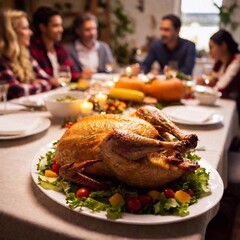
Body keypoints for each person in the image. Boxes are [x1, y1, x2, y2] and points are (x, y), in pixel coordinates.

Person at [0, 9, 52, 100]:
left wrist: (28, 86)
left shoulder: (24, 53)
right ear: (11, 33)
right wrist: (33, 84)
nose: (30, 32)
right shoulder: (1, 58)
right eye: (25, 28)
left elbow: (48, 80)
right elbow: (16, 91)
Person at [30, 6, 79, 81]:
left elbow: (72, 73)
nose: (61, 30)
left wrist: (81, 75)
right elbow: (39, 79)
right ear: (42, 27)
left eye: (61, 25)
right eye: (55, 26)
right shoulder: (33, 51)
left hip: (62, 90)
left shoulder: (59, 48)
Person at [196, 29, 240, 106]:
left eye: (211, 47)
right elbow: (214, 80)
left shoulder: (237, 61)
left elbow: (220, 90)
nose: (209, 52)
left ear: (223, 46)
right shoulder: (221, 62)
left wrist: (208, 84)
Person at [66, 13, 114, 79]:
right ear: (78, 31)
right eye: (87, 30)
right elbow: (67, 74)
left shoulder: (104, 47)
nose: (92, 33)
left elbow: (111, 70)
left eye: (94, 29)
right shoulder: (69, 50)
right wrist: (80, 75)